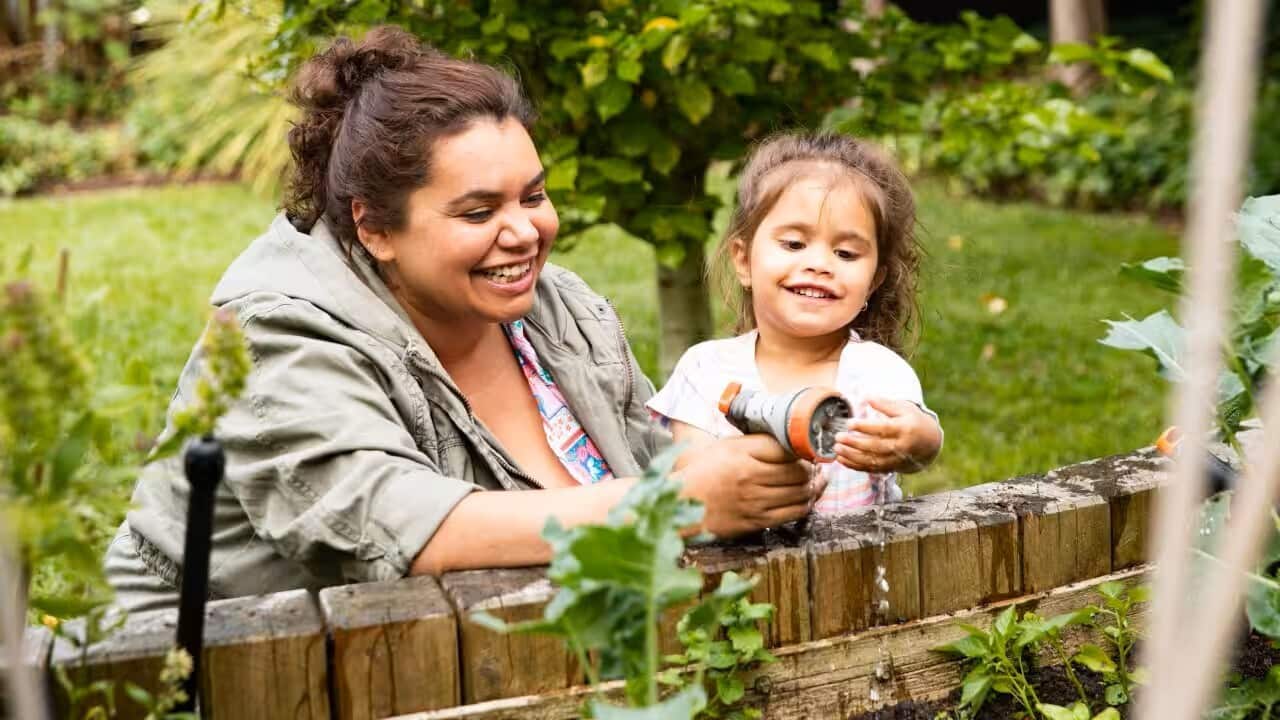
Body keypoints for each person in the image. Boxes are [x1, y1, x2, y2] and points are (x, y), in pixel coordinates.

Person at [104, 27, 822, 612]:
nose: (523, 232)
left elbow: (647, 467)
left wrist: (753, 481)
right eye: (479, 212)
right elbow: (399, 526)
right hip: (213, 674)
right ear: (375, 228)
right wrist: (675, 506)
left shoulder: (556, 308)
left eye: (532, 196)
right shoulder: (279, 334)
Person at [647, 133, 943, 513]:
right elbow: (690, 475)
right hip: (734, 568)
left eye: (845, 253)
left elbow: (919, 438)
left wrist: (918, 443)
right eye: (794, 244)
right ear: (743, 261)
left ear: (873, 280)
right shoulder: (706, 370)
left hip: (856, 564)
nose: (819, 264)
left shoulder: (875, 373)